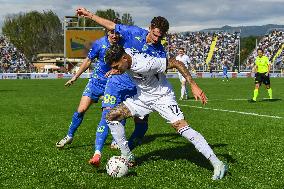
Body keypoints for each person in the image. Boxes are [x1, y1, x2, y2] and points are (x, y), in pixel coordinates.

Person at [104, 44, 228, 180]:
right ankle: (127, 155)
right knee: (112, 116)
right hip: (143, 98)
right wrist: (117, 70)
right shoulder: (125, 55)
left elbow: (176, 62)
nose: (115, 69)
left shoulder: (146, 64)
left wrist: (193, 84)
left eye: (116, 66)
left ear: (124, 58)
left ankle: (217, 163)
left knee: (181, 127)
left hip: (163, 97)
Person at [75, 8, 169, 150]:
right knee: (108, 115)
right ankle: (98, 152)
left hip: (139, 88)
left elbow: (160, 73)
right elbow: (111, 26)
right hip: (118, 83)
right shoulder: (134, 32)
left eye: (160, 37)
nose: (156, 39)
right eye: (155, 35)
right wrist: (89, 15)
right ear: (149, 28)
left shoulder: (160, 51)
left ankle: (127, 151)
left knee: (142, 125)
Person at [56, 23, 147, 164]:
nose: (115, 35)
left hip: (113, 82)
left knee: (112, 114)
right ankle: (69, 135)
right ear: (107, 32)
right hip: (96, 82)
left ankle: (113, 144)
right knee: (81, 110)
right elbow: (88, 60)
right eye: (112, 32)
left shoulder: (124, 44)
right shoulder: (99, 44)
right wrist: (75, 76)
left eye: (117, 33)